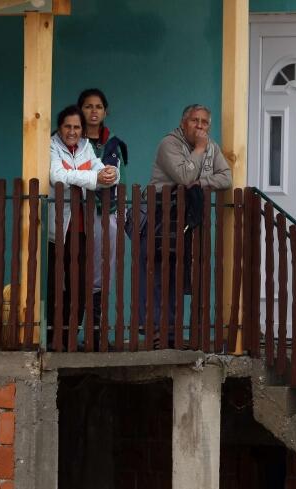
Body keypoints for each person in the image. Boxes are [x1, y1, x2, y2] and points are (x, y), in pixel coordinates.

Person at [135, 103, 232, 345]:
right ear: (183, 122)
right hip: (159, 215)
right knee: (156, 272)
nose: (200, 126)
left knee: (179, 275)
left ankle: (171, 332)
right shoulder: (169, 143)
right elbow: (184, 176)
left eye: (204, 122)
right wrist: (199, 150)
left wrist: (201, 183)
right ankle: (156, 331)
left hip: (185, 219)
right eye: (194, 121)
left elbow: (226, 177)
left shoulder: (212, 147)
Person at [46, 105, 119, 348]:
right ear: (59, 127)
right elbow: (56, 176)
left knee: (78, 286)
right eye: (68, 126)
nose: (72, 131)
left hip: (82, 230)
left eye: (77, 127)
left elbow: (101, 170)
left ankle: (68, 338)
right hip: (58, 231)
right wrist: (91, 177)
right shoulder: (51, 146)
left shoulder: (86, 148)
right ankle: (52, 338)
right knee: (56, 287)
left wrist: (111, 174)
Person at [77, 88, 128, 321]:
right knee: (74, 266)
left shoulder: (113, 144)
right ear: (80, 110)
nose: (93, 111)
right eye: (88, 106)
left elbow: (120, 178)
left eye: (98, 107)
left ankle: (95, 327)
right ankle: (68, 330)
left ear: (105, 112)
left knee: (103, 268)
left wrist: (121, 211)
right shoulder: (69, 139)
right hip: (74, 212)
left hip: (105, 212)